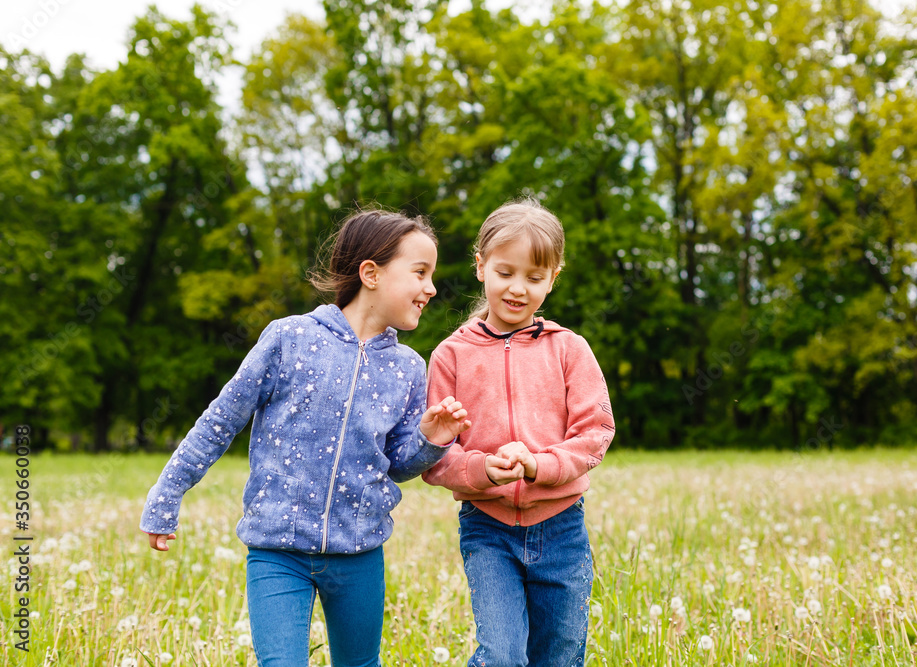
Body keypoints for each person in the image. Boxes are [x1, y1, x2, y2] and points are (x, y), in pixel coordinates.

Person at [140, 209, 471, 667]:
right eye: (420, 272)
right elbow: (219, 422)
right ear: (370, 273)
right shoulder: (288, 339)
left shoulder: (410, 369)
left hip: (360, 554)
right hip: (277, 551)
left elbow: (397, 463)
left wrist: (431, 439)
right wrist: (167, 493)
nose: (431, 288)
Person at [422, 199, 615, 666]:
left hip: (562, 525)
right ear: (481, 266)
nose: (518, 288)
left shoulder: (569, 349)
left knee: (561, 654)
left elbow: (595, 431)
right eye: (505, 272)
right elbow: (434, 454)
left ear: (553, 278)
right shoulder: (451, 355)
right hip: (488, 529)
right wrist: (483, 469)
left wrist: (541, 465)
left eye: (534, 277)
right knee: (503, 655)